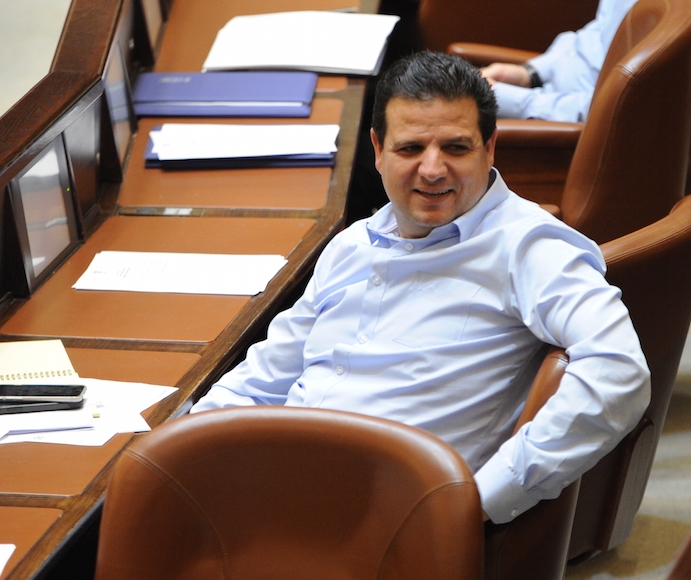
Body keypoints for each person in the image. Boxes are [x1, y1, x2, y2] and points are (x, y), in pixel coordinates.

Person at [191, 51, 650, 524]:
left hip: (381, 521)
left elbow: (620, 372)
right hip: (274, 483)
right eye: (411, 149)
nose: (432, 170)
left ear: (490, 148)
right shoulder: (353, 243)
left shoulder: (528, 246)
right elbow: (264, 377)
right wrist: (180, 451)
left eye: (455, 148)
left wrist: (478, 501)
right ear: (377, 149)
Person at [481, 0, 691, 122]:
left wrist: (513, 101)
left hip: (574, 138)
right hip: (562, 96)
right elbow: (603, 31)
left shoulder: (687, 13)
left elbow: (622, 117)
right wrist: (532, 73)